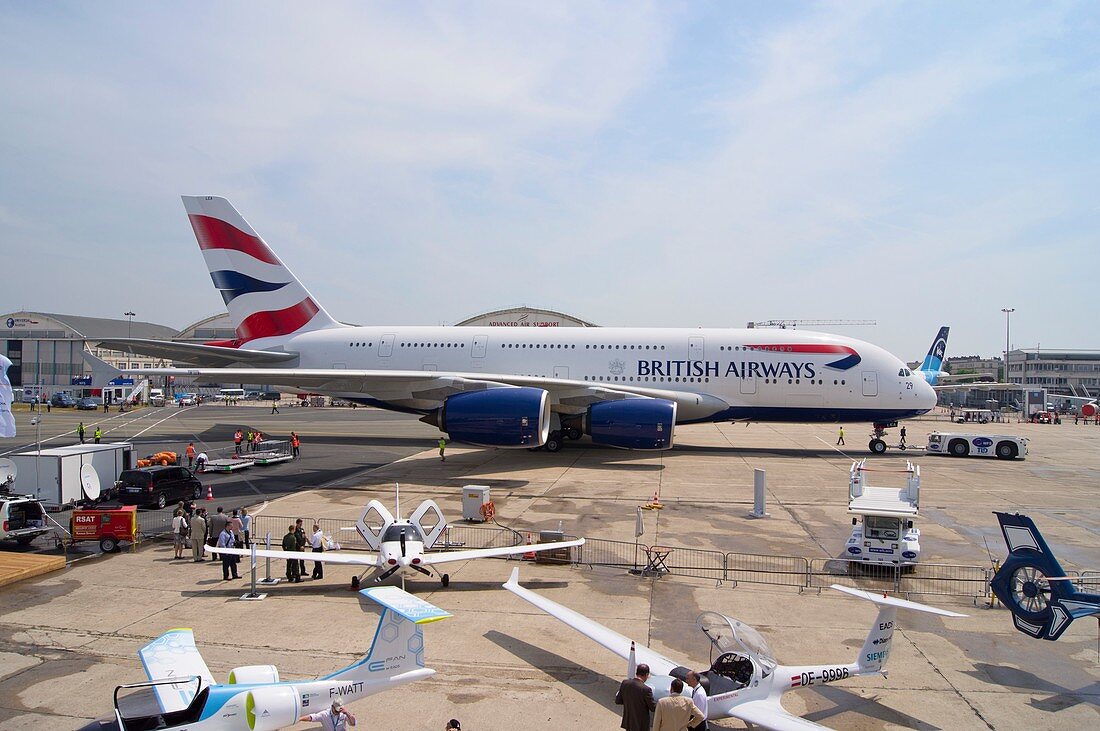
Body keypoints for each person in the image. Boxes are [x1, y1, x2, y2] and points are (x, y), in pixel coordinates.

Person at [615, 663, 656, 731]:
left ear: (636, 673)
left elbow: (618, 701)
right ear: (646, 675)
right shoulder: (646, 689)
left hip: (629, 722)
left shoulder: (625, 683)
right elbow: (653, 708)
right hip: (640, 725)